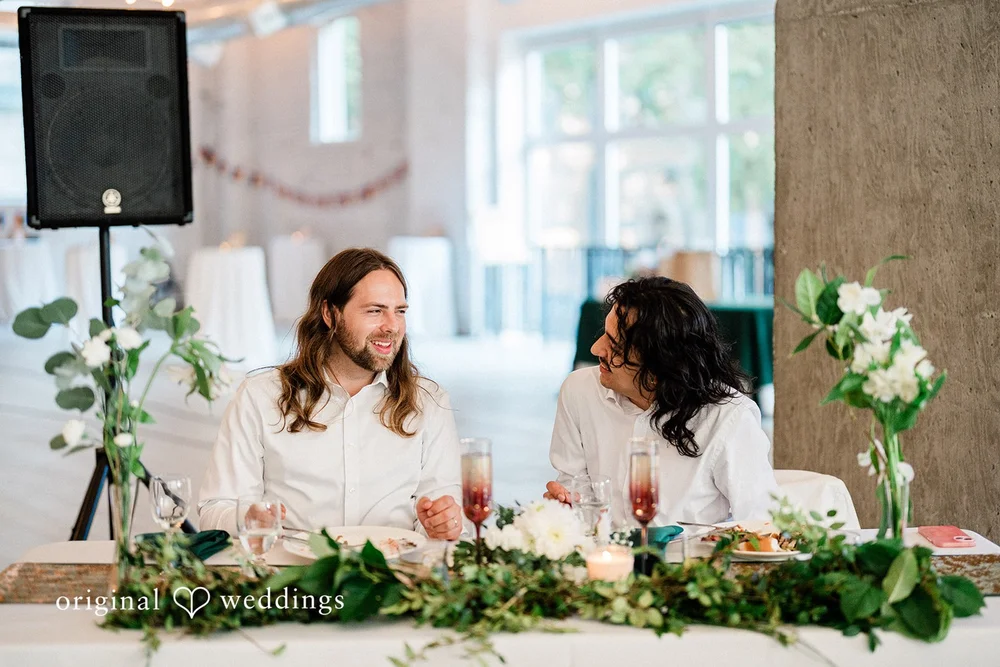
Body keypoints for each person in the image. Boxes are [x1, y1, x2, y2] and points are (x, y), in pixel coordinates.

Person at [198, 248, 463, 540]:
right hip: (291, 565)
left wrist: (443, 523)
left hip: (394, 566)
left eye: (399, 311)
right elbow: (216, 510)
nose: (392, 326)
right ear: (330, 314)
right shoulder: (260, 396)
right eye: (375, 311)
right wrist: (248, 519)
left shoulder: (429, 402)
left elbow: (446, 514)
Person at [545, 277, 779, 528]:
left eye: (615, 346)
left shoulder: (728, 419)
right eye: (605, 333)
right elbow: (576, 495)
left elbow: (762, 526)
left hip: (690, 553)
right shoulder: (579, 391)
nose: (595, 349)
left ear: (661, 366)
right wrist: (566, 507)